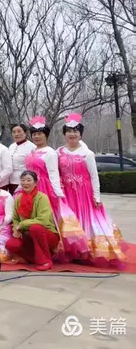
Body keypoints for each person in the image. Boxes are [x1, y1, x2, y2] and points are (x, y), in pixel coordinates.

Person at [57, 114, 126, 267]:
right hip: (67, 194)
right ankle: (72, 250)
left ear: (80, 134)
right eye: (69, 131)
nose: (72, 134)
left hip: (84, 194)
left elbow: (94, 176)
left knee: (87, 220)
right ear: (64, 134)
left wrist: (97, 196)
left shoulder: (87, 154)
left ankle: (87, 250)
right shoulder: (59, 152)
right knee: (70, 221)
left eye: (75, 131)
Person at [25, 116, 88, 261]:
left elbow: (53, 173)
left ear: (46, 135)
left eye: (40, 134)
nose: (37, 137)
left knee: (49, 218)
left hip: (44, 188)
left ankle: (53, 248)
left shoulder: (50, 153)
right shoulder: (32, 151)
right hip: (30, 188)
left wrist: (57, 193)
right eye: (34, 134)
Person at [5, 171, 61, 271]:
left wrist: (22, 224)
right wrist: (15, 230)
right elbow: (15, 218)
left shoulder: (42, 197)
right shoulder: (18, 198)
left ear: (35, 183)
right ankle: (33, 258)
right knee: (11, 245)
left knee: (35, 228)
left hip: (46, 233)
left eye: (28, 180)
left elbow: (43, 220)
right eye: (23, 180)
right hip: (26, 233)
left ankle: (45, 261)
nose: (25, 183)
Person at [8, 123, 35, 193]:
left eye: (19, 131)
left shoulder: (32, 147)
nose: (16, 134)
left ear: (25, 133)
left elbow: (33, 167)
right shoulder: (11, 146)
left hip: (25, 182)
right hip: (10, 181)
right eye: (14, 132)